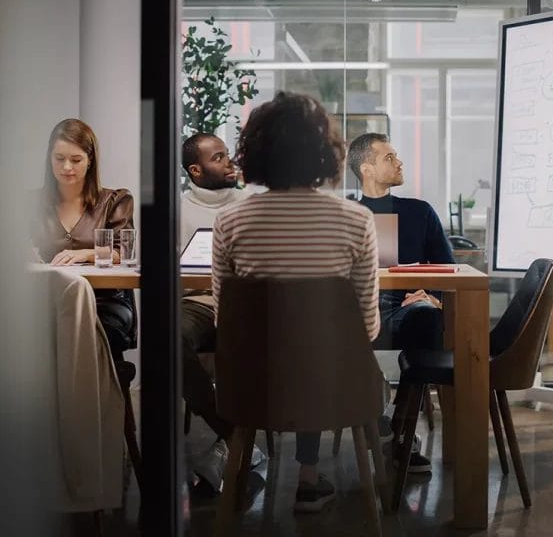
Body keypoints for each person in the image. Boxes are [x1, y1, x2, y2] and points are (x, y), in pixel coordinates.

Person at [211, 91, 379, 513]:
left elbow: (225, 321)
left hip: (254, 387)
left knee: (290, 348)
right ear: (325, 152)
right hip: (335, 387)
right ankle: (309, 478)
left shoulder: (230, 221)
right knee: (318, 348)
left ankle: (242, 471)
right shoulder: (357, 220)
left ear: (254, 152)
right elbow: (367, 328)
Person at [346, 132, 455, 474]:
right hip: (355, 312)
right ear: (366, 168)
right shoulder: (346, 214)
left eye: (397, 156)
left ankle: (400, 430)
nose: (399, 162)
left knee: (427, 318)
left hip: (405, 309)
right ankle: (380, 422)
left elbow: (448, 267)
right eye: (389, 158)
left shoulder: (418, 211)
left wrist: (432, 295)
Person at [178, 133, 254, 494]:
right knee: (168, 336)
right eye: (219, 158)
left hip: (242, 304)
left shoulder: (249, 202)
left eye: (228, 155)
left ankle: (235, 441)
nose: (229, 163)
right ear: (196, 169)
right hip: (197, 303)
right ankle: (232, 432)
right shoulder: (176, 209)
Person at [33, 118, 137, 356]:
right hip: (48, 298)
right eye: (59, 159)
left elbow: (123, 253)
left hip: (103, 300)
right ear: (49, 159)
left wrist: (86, 254)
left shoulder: (115, 200)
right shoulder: (32, 204)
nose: (67, 167)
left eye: (76, 159)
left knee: (86, 331)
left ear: (90, 161)